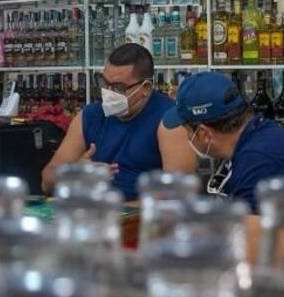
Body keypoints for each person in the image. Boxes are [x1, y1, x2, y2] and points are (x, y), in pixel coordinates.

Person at [162, 71, 284, 231]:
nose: (187, 137)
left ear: (204, 133)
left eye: (188, 130)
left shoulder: (257, 162)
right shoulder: (259, 135)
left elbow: (253, 247)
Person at [41, 43, 196, 200]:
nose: (108, 93)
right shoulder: (89, 116)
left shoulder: (169, 120)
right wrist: (74, 173)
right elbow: (46, 181)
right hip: (90, 208)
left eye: (118, 87)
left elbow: (178, 194)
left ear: (146, 88)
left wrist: (119, 209)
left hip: (139, 212)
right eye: (104, 83)